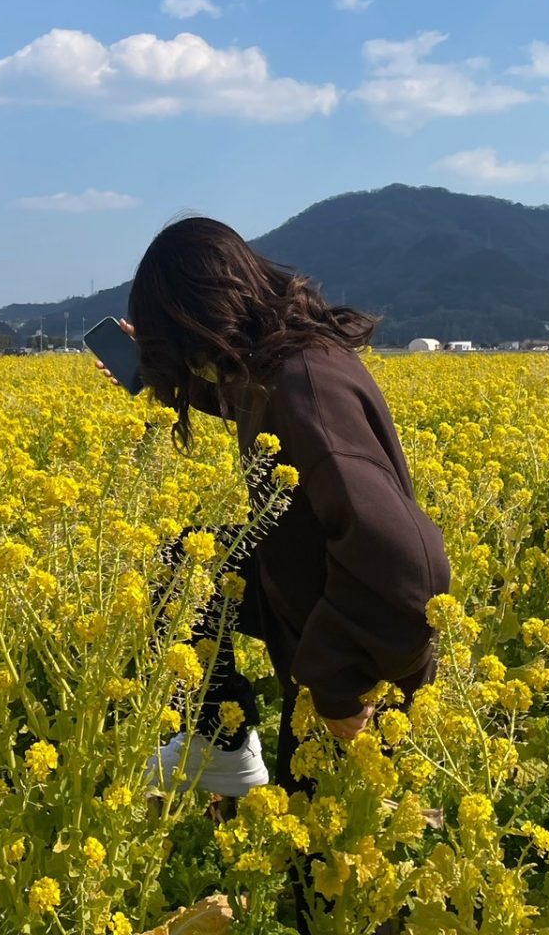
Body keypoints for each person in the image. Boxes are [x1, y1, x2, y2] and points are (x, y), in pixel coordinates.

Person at [96, 216, 451, 807]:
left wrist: (338, 693)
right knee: (187, 563)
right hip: (311, 603)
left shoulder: (303, 385)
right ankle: (222, 743)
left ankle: (238, 750)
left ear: (195, 317)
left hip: (358, 671)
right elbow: (249, 402)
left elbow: (409, 563)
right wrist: (155, 378)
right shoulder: (282, 367)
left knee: (322, 871)